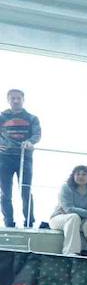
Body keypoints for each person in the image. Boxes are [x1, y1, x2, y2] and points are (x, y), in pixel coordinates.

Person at [0, 88, 40, 228]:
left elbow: (36, 134)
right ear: (8, 100)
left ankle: (29, 221)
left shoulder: (32, 118)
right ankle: (8, 222)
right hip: (4, 158)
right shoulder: (2, 116)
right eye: (13, 98)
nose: (16, 101)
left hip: (25, 157)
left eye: (18, 98)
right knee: (5, 192)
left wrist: (31, 142)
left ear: (23, 100)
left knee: (25, 190)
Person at [50, 165, 87, 255]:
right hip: (60, 218)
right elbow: (69, 209)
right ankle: (71, 252)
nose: (80, 176)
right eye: (77, 174)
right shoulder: (66, 187)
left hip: (81, 220)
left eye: (84, 174)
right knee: (74, 217)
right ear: (73, 176)